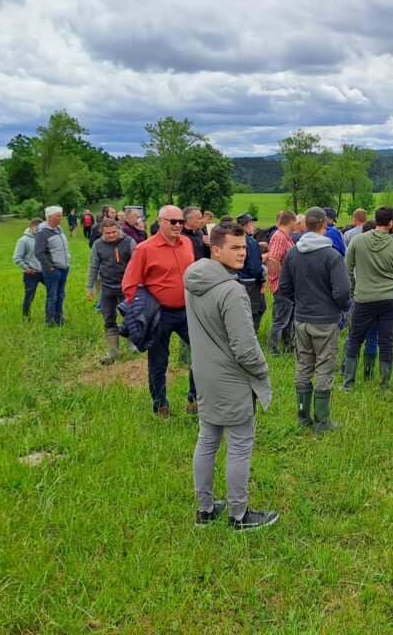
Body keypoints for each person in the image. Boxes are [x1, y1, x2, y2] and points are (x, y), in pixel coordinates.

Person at [185, 222, 278, 530]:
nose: (241, 253)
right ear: (216, 249)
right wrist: (262, 371)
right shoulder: (231, 290)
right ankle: (240, 515)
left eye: (244, 246)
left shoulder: (194, 280)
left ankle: (205, 509)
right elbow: (245, 348)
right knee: (239, 444)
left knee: (207, 439)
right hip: (232, 379)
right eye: (234, 247)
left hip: (205, 375)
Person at [278, 206, 350, 432]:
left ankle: (302, 416)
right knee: (325, 367)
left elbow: (284, 288)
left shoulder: (293, 253)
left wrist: (300, 302)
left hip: (301, 319)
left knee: (304, 365)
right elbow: (342, 292)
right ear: (325, 224)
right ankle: (322, 420)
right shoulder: (332, 255)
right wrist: (341, 308)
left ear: (306, 224)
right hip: (325, 320)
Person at [122, 205, 197, 418]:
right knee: (158, 361)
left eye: (181, 221)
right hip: (159, 314)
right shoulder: (145, 249)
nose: (177, 225)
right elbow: (130, 285)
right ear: (160, 221)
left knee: (202, 353)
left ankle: (194, 399)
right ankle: (160, 405)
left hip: (187, 311)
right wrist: (142, 311)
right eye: (172, 221)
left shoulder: (187, 243)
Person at [343, 206, 393, 391]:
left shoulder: (357, 240)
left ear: (375, 220)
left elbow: (347, 269)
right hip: (388, 300)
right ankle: (384, 386)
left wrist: (355, 288)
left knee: (355, 340)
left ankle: (348, 384)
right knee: (386, 342)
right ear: (392, 222)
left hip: (363, 298)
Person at [87, 218, 137, 364]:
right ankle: (113, 352)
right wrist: (89, 287)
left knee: (129, 316)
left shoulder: (129, 242)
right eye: (108, 233)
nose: (111, 235)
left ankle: (132, 345)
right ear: (102, 232)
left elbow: (137, 263)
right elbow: (93, 267)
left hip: (126, 287)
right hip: (107, 288)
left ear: (118, 229)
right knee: (109, 319)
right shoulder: (98, 245)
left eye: (114, 232)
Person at [266, 210, 297, 355]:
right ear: (290, 221)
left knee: (288, 319)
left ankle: (288, 346)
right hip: (281, 286)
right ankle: (273, 350)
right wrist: (284, 278)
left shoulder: (286, 237)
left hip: (286, 286)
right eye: (295, 221)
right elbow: (272, 258)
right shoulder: (279, 237)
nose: (296, 224)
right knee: (280, 320)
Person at [34, 205, 71, 327]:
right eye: (58, 216)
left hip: (64, 267)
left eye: (61, 215)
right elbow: (39, 252)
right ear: (50, 217)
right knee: (52, 296)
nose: (61, 218)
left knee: (61, 295)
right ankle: (50, 321)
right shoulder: (43, 232)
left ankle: (59, 319)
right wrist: (49, 267)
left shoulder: (59, 229)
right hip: (53, 270)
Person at [235, 213, 266, 332]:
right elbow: (256, 267)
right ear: (247, 224)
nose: (253, 226)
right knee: (257, 311)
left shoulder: (235, 239)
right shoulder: (250, 241)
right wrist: (262, 281)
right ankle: (251, 338)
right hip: (251, 282)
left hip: (239, 280)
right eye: (252, 223)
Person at [12, 218, 44, 320]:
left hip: (44, 272)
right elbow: (16, 257)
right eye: (37, 228)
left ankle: (54, 314)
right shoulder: (23, 240)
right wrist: (26, 268)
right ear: (31, 227)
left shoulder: (42, 239)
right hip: (31, 273)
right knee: (29, 295)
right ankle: (26, 316)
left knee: (54, 292)